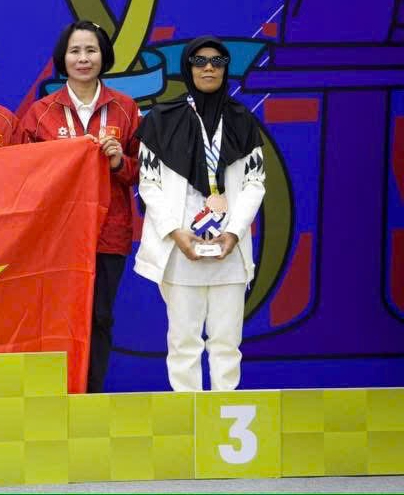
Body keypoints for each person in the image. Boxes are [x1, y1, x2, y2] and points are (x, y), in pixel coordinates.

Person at [134, 36, 266, 391]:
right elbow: (149, 184)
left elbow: (255, 183)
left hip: (229, 251)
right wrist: (175, 232)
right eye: (200, 61)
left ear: (226, 69)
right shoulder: (161, 119)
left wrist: (233, 232)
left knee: (227, 344)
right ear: (187, 67)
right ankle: (187, 416)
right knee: (183, 344)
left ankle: (223, 415)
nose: (209, 68)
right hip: (180, 249)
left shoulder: (242, 120)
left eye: (217, 61)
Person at [19, 20, 140, 392]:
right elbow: (21, 174)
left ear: (104, 56)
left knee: (99, 317)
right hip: (55, 238)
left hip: (108, 233)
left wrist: (119, 162)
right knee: (55, 319)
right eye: (75, 51)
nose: (83, 58)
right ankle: (55, 394)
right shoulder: (41, 112)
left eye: (91, 50)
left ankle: (90, 397)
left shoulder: (125, 108)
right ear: (63, 57)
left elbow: (144, 172)